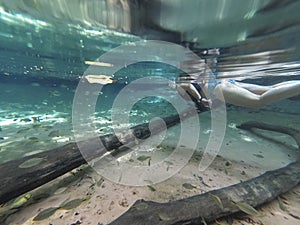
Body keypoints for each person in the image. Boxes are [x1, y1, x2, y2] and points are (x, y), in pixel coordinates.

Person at [171, 74, 300, 110]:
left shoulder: (179, 85)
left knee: (257, 102)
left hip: (218, 89)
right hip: (227, 83)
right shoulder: (193, 78)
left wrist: (201, 99)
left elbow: (190, 87)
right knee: (269, 89)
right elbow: (201, 82)